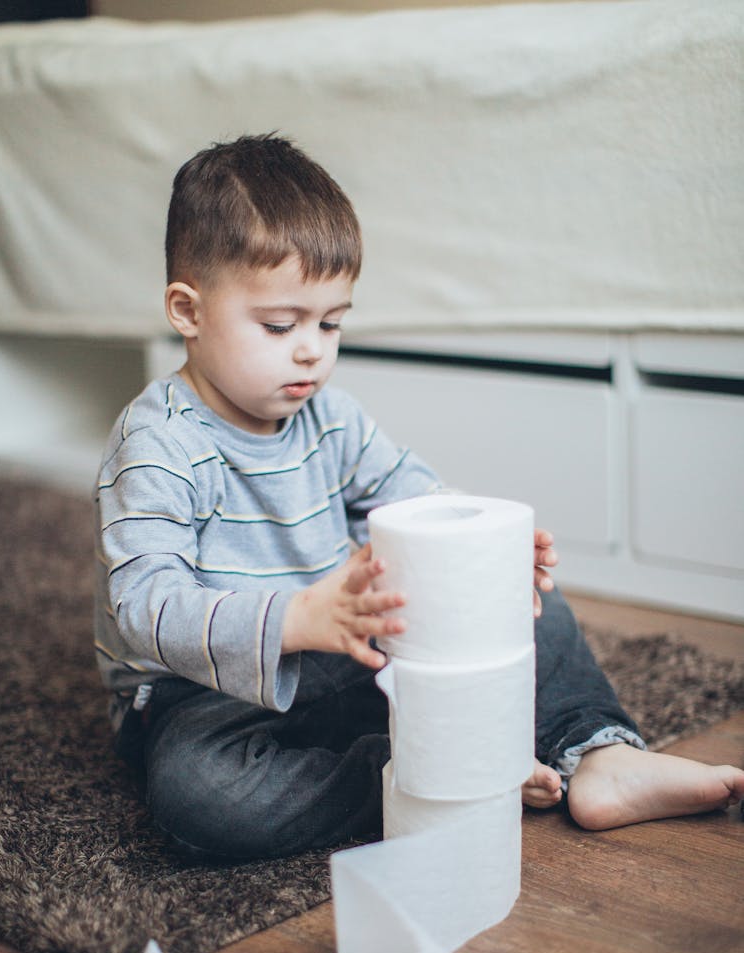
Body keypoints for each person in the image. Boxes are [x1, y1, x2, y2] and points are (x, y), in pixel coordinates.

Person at [94, 134, 744, 860]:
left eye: (331, 322)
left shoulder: (329, 417)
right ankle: (417, 774)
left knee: (524, 604)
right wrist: (296, 616)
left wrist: (484, 553)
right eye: (281, 325)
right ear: (188, 310)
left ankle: (595, 750)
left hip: (341, 649)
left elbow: (414, 494)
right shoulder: (157, 442)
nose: (312, 348)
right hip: (208, 695)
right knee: (199, 798)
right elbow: (146, 606)